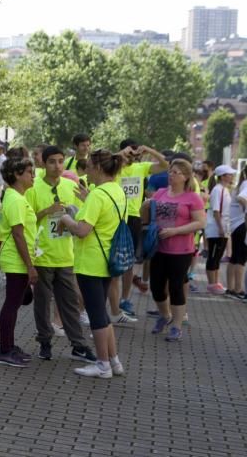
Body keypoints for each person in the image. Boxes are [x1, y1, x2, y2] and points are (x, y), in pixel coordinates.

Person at [56, 149, 128, 378]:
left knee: (96, 315)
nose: (85, 170)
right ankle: (114, 361)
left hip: (91, 262)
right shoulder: (116, 190)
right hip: (109, 259)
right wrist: (88, 200)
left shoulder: (98, 195)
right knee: (102, 313)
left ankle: (102, 364)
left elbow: (82, 230)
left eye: (88, 166)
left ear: (97, 167)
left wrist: (65, 219)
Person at [24, 146, 98, 364]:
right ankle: (45, 342)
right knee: (43, 302)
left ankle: (78, 345)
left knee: (70, 303)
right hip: (43, 255)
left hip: (66, 255)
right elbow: (27, 221)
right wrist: (47, 211)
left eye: (60, 161)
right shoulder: (33, 188)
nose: (57, 166)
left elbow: (82, 215)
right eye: (52, 162)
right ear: (44, 164)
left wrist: (85, 203)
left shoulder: (71, 185)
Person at [142, 159, 205, 341]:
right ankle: (165, 316)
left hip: (181, 250)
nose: (171, 175)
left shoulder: (192, 197)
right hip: (158, 247)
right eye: (170, 171)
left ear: (185, 177)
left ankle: (176, 326)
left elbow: (201, 222)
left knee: (176, 287)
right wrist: (145, 207)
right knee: (156, 288)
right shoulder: (160, 193)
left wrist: (175, 231)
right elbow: (146, 217)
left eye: (176, 172)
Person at [0, 157, 38, 367]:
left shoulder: (17, 197)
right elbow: (18, 235)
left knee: (17, 301)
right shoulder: (15, 200)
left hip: (18, 259)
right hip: (16, 260)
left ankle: (9, 345)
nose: (33, 176)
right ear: (18, 175)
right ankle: (5, 349)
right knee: (11, 304)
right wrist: (30, 266)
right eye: (29, 172)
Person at [115, 140, 168, 314]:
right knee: (114, 259)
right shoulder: (115, 167)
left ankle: (124, 300)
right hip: (116, 216)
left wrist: (149, 149)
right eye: (131, 152)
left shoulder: (142, 167)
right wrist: (122, 153)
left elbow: (165, 164)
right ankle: (113, 303)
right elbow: (103, 164)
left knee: (129, 261)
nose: (134, 156)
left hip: (134, 218)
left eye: (136, 153)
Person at [204, 164, 237, 294]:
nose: (232, 176)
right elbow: (217, 211)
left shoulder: (225, 189)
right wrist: (220, 228)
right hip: (216, 229)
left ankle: (216, 282)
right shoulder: (218, 190)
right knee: (213, 256)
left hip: (222, 228)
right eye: (230, 174)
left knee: (217, 256)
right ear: (223, 176)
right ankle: (211, 284)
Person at [229, 165, 247, 298]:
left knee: (235, 258)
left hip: (236, 224)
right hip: (242, 223)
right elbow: (242, 198)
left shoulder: (241, 183)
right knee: (241, 259)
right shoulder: (246, 184)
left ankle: (231, 288)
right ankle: (238, 289)